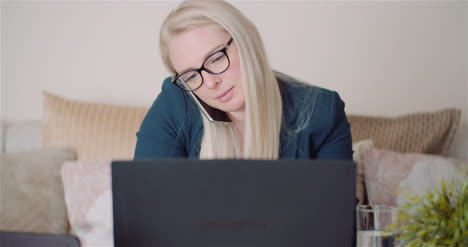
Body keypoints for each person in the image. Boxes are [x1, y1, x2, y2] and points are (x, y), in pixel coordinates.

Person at [134, 0, 353, 161]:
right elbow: (145, 207)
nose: (210, 82)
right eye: (191, 76)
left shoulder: (322, 111)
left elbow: (337, 217)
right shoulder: (175, 103)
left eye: (217, 58)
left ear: (250, 39)